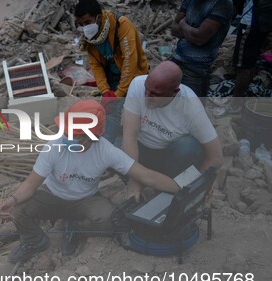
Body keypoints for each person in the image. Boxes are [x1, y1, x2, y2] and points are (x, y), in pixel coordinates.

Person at [0, 100, 180, 263]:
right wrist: (13, 200)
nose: (68, 138)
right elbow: (31, 184)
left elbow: (146, 175)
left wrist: (181, 188)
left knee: (111, 220)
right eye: (67, 132)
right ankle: (34, 240)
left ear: (93, 137)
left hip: (85, 200)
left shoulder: (105, 151)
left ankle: (75, 228)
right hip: (52, 195)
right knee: (18, 210)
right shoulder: (54, 146)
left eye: (75, 135)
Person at [121, 61, 224, 200]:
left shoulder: (190, 106)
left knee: (188, 147)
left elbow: (216, 158)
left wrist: (188, 184)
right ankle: (147, 180)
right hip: (141, 152)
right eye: (147, 89)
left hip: (171, 158)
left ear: (174, 93)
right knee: (109, 146)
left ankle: (169, 190)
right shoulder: (138, 85)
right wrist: (133, 181)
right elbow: (129, 136)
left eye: (155, 94)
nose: (147, 96)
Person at [74, 0, 149, 144]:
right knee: (112, 112)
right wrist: (105, 91)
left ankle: (136, 143)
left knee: (136, 112)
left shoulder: (121, 25)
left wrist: (119, 93)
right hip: (112, 77)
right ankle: (108, 145)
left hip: (134, 76)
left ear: (98, 17)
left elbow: (130, 60)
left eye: (87, 22)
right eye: (81, 24)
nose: (85, 27)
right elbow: (96, 65)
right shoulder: (90, 38)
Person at [170, 0, 234, 97]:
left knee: (192, 108)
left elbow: (199, 39)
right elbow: (174, 29)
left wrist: (183, 24)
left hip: (197, 68)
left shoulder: (222, 3)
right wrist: (192, 32)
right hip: (177, 59)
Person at [229, 0, 271, 113]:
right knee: (250, 62)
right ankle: (242, 100)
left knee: (243, 65)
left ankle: (235, 105)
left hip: (251, 21)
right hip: (261, 21)